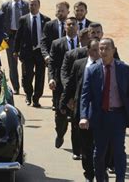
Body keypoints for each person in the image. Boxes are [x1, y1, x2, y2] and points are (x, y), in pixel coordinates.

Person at [80, 38, 129, 182]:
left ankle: (120, 179)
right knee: (99, 153)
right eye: (100, 48)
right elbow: (85, 96)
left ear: (113, 50)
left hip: (118, 116)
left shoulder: (124, 69)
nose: (103, 51)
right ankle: (100, 179)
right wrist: (84, 116)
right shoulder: (92, 70)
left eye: (107, 48)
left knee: (119, 151)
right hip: (100, 117)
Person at [62, 38, 101, 182]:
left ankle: (101, 172)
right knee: (86, 147)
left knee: (101, 146)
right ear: (88, 51)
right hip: (83, 112)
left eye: (100, 49)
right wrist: (64, 102)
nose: (98, 53)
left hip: (101, 114)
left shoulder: (107, 66)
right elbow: (71, 84)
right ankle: (89, 174)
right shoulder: (79, 65)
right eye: (95, 50)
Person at [48, 17, 80, 157]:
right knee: (61, 116)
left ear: (77, 27)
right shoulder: (57, 43)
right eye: (69, 24)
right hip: (61, 86)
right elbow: (52, 64)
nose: (71, 26)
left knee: (75, 117)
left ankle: (76, 149)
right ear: (65, 27)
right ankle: (60, 134)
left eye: (74, 24)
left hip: (78, 87)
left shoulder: (83, 45)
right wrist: (51, 79)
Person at [13, 0, 51, 107]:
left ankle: (36, 98)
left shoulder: (46, 20)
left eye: (34, 4)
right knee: (27, 76)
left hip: (41, 52)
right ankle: (28, 95)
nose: (32, 6)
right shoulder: (23, 19)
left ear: (39, 6)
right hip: (27, 53)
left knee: (40, 76)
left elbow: (49, 38)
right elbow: (18, 36)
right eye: (30, 4)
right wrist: (15, 50)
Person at [0, 0, 29, 94]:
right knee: (12, 63)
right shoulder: (6, 6)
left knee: (25, 63)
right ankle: (15, 86)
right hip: (11, 37)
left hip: (23, 37)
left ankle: (25, 84)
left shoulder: (26, 5)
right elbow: (0, 21)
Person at [41, 1, 70, 69]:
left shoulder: (72, 25)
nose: (60, 13)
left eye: (62, 11)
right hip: (53, 60)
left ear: (68, 12)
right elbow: (43, 42)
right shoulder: (49, 25)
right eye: (58, 11)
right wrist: (46, 55)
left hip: (68, 60)